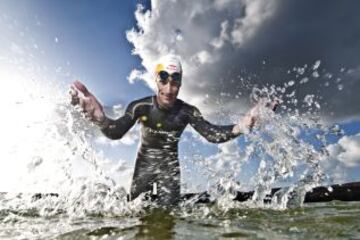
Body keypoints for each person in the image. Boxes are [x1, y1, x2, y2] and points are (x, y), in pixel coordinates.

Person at [69, 54, 277, 205]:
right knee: (135, 211)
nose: (169, 89)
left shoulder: (187, 111)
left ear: (180, 83)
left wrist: (241, 125)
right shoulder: (141, 107)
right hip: (145, 165)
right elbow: (116, 132)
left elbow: (212, 134)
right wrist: (101, 120)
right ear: (156, 80)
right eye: (164, 79)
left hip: (170, 168)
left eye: (175, 81)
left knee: (169, 217)